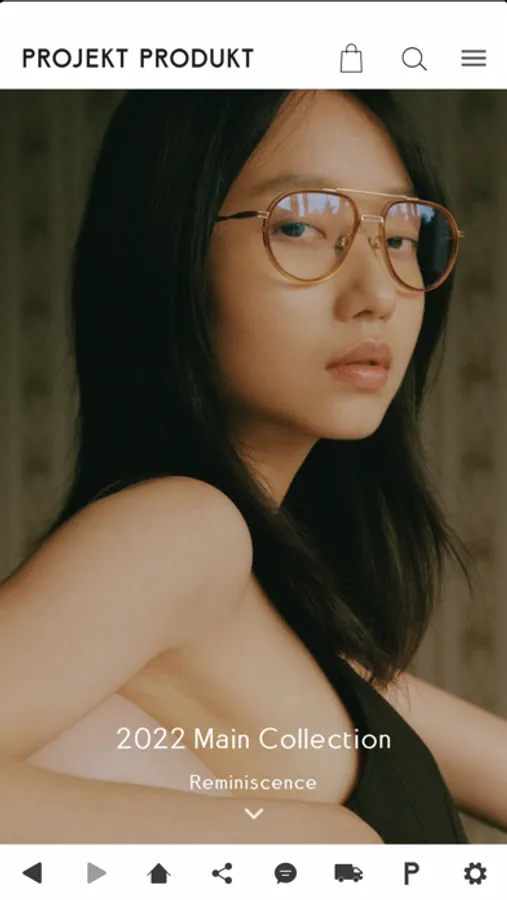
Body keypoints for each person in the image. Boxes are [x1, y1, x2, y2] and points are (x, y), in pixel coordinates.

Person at [0, 89, 506, 845]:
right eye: (300, 225)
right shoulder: (177, 531)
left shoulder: (276, 620)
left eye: (402, 236)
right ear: (170, 247)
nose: (377, 294)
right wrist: (312, 842)